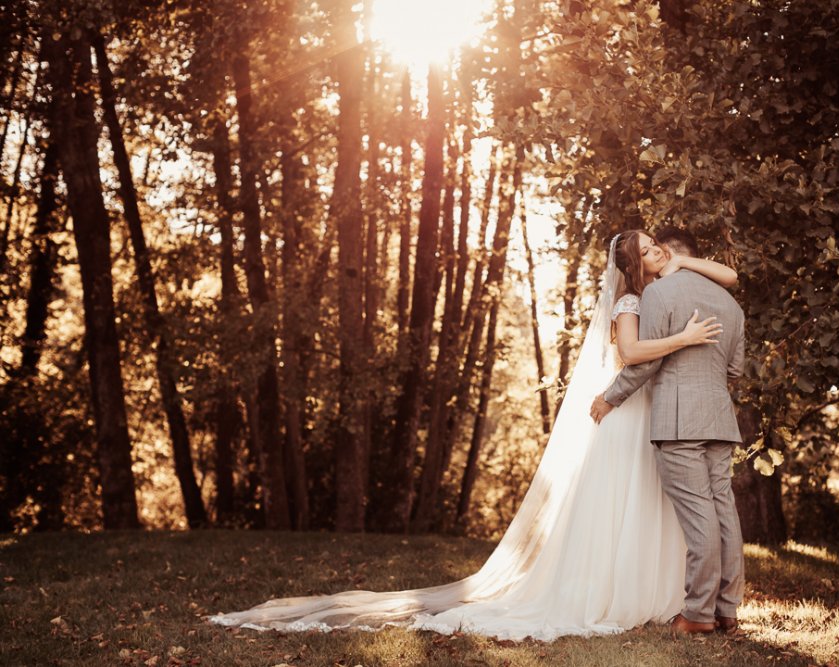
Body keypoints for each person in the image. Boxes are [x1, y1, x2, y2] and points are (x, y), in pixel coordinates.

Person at [207, 229, 738, 641]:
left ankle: (682, 599)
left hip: (657, 410)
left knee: (666, 507)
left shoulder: (668, 290)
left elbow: (713, 288)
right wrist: (681, 340)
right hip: (637, 410)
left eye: (656, 247)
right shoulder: (633, 301)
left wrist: (680, 270)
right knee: (650, 506)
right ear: (632, 266)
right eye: (647, 251)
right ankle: (644, 595)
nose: (658, 254)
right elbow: (631, 356)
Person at [590, 225, 746, 635]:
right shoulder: (730, 304)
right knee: (724, 514)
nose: (656, 254)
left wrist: (611, 396)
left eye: (656, 249)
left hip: (679, 421)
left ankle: (696, 615)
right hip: (719, 417)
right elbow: (735, 370)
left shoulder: (658, 295)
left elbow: (644, 363)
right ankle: (727, 610)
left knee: (700, 519)